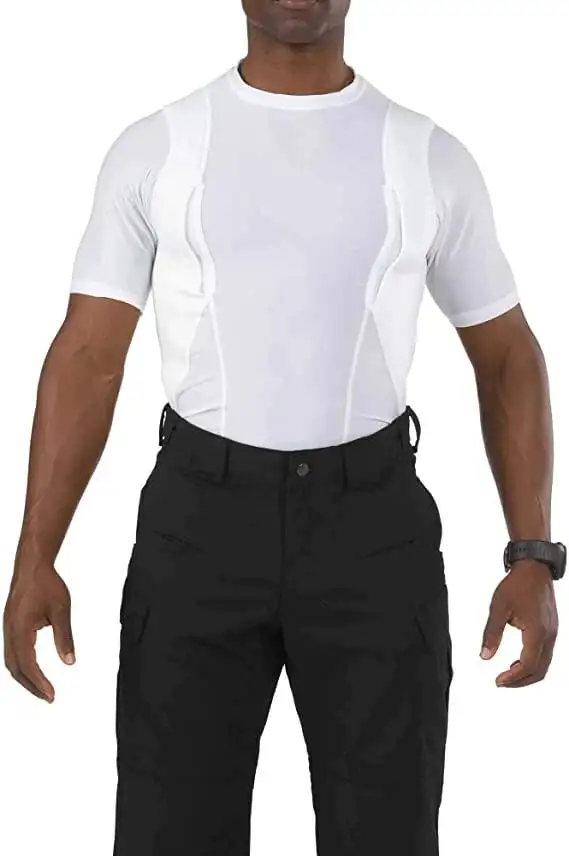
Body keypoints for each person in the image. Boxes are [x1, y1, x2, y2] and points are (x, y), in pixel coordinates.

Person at [4, 1, 564, 854]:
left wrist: (532, 554)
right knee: (169, 831)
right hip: (198, 526)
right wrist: (34, 555)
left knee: (385, 833)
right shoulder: (157, 148)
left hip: (372, 533)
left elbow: (507, 354)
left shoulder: (425, 156)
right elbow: (87, 356)